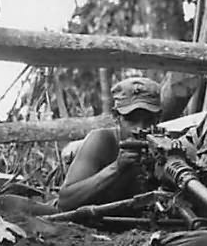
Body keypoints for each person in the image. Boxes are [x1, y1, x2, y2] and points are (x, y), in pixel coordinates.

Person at [56, 75, 164, 211]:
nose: (140, 128)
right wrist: (116, 168)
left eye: (148, 120)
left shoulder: (165, 146)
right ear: (116, 116)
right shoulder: (102, 140)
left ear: (159, 117)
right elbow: (65, 201)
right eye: (131, 120)